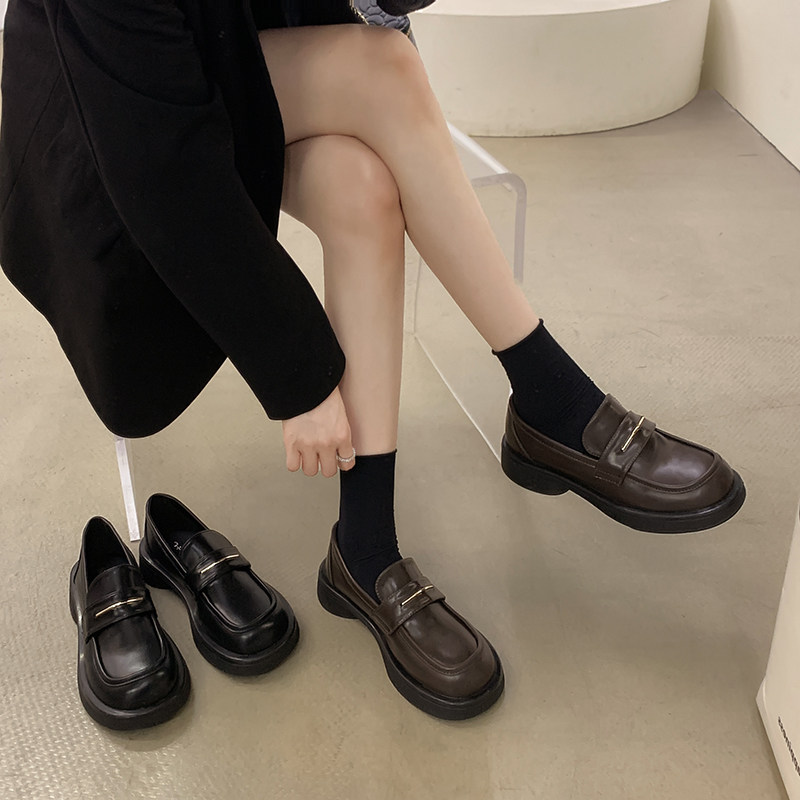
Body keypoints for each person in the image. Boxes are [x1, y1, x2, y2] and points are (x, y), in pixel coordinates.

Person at [0, 0, 745, 722]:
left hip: (225, 60)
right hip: (101, 116)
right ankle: (552, 398)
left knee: (362, 187)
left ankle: (365, 550)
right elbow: (163, 163)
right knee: (385, 69)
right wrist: (298, 378)